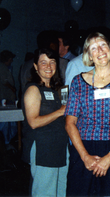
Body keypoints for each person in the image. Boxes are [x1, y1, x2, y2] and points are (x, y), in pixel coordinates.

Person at [65, 32, 110, 196]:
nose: (100, 50)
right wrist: (85, 157)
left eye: (103, 45)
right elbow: (70, 123)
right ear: (89, 55)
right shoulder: (78, 81)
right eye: (94, 48)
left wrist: (109, 157)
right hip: (84, 149)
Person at [22, 48, 69, 197]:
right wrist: (61, 111)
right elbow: (33, 122)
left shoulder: (57, 90)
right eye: (43, 63)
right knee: (44, 192)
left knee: (61, 191)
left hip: (60, 147)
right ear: (35, 66)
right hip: (43, 148)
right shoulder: (33, 89)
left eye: (52, 62)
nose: (48, 67)